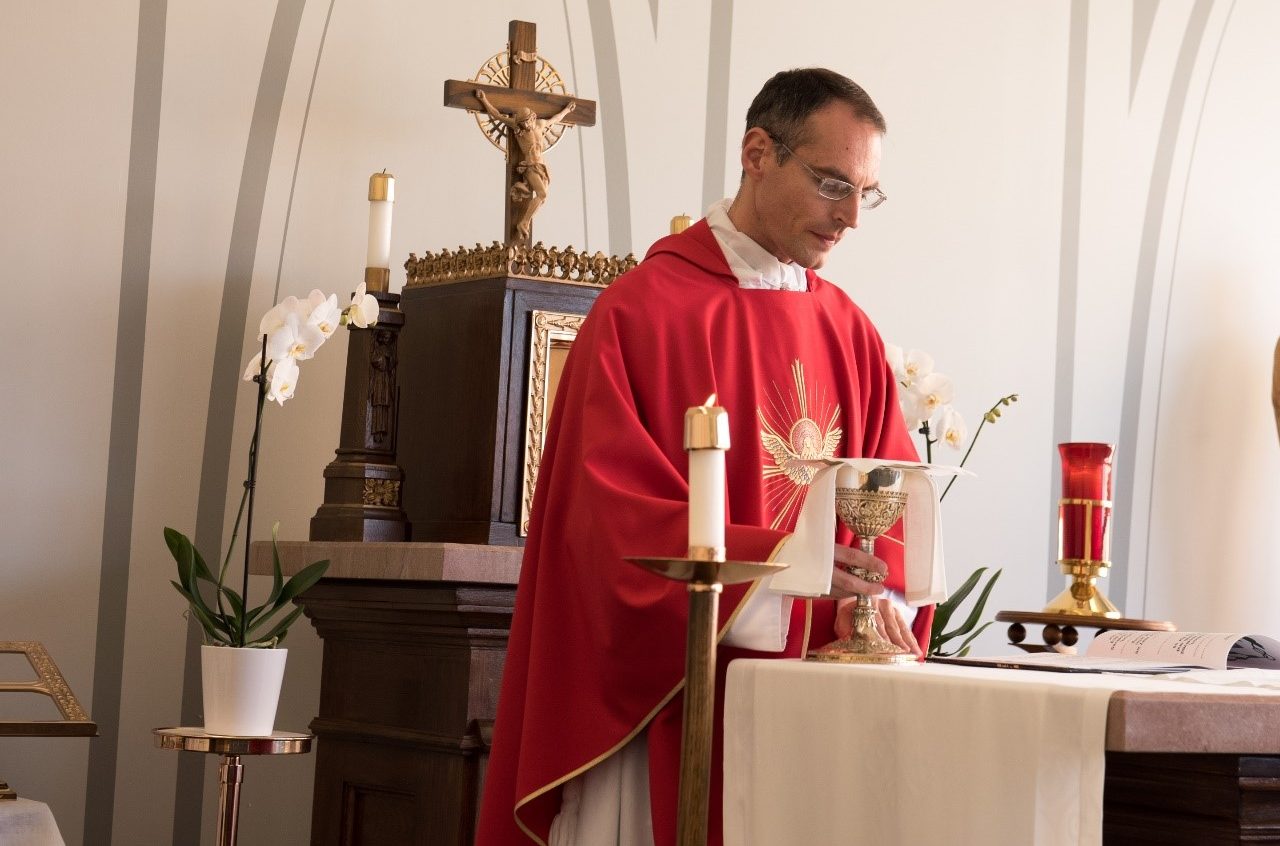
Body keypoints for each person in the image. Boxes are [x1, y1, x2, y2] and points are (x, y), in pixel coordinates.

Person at [476, 68, 931, 846]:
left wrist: (878, 596)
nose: (851, 216)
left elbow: (892, 505)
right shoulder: (641, 315)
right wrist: (787, 563)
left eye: (867, 193)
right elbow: (605, 522)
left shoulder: (850, 332)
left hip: (813, 714)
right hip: (670, 707)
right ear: (759, 153)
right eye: (832, 184)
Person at [475, 89, 576, 241]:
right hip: (530, 167)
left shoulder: (540, 124)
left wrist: (567, 110)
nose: (526, 125)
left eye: (528, 121)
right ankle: (523, 223)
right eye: (523, 123)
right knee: (542, 194)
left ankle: (524, 222)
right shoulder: (517, 129)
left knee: (542, 198)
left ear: (533, 117)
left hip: (543, 167)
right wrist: (484, 100)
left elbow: (555, 119)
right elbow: (496, 115)